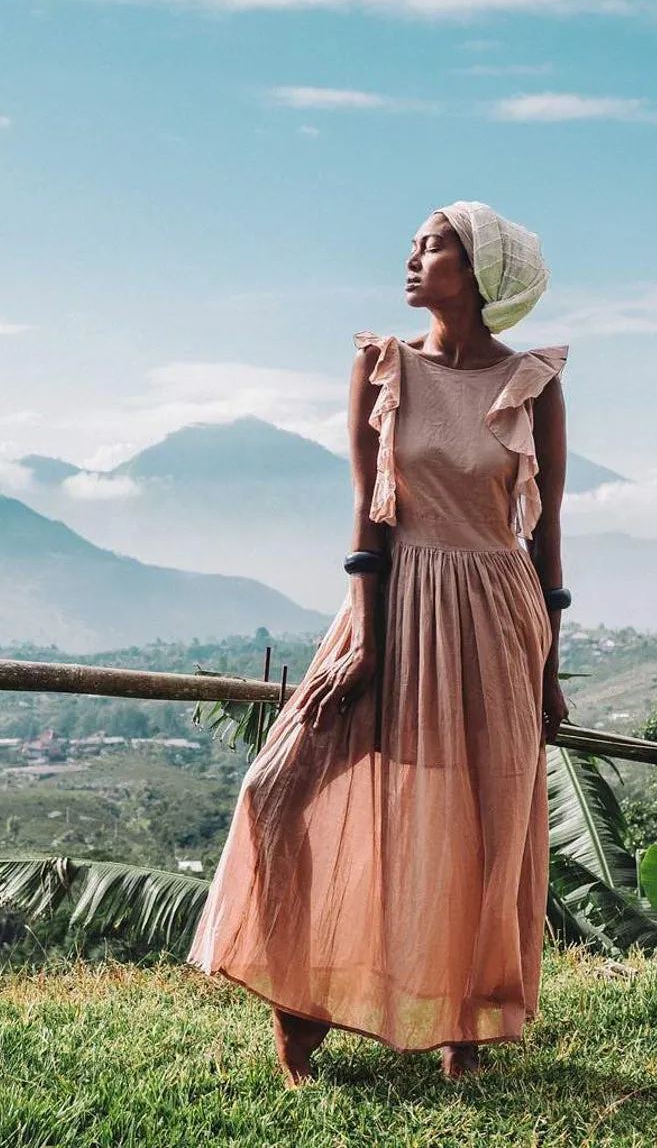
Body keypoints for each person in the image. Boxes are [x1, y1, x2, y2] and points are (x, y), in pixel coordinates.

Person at [186, 200, 570, 1087]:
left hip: (497, 612)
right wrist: (365, 631)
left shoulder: (534, 383)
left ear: (478, 272)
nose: (410, 257)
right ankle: (300, 1005)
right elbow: (367, 509)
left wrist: (547, 665)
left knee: (483, 821)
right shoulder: (381, 365)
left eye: (431, 245)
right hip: (391, 604)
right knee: (279, 786)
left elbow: (547, 540)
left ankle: (461, 1034)